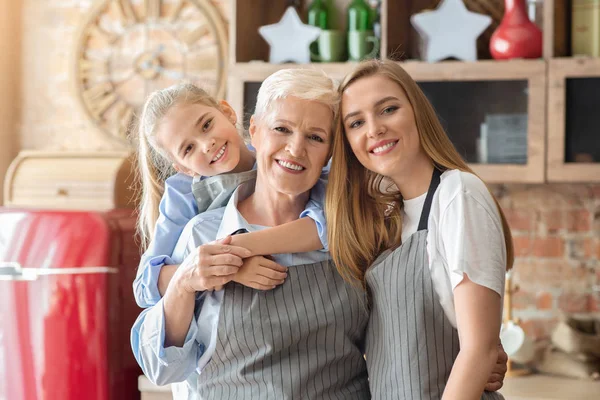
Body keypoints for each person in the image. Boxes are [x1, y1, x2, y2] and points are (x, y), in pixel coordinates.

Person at [131, 69, 371, 399]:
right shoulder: (193, 217)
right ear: (256, 131)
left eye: (316, 137)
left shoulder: (343, 211)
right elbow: (147, 285)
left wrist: (239, 247)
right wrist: (194, 275)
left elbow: (330, 229)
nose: (295, 149)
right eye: (281, 129)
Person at [327, 59, 512, 399]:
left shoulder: (458, 194)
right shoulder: (386, 218)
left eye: (388, 109)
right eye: (356, 122)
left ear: (417, 111)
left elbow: (479, 351)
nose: (374, 129)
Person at [132, 82, 329, 308]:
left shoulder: (280, 154)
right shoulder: (184, 195)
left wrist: (244, 246)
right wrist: (229, 267)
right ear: (184, 168)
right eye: (188, 148)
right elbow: (144, 287)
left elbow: (331, 225)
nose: (207, 144)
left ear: (227, 112)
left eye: (206, 125)